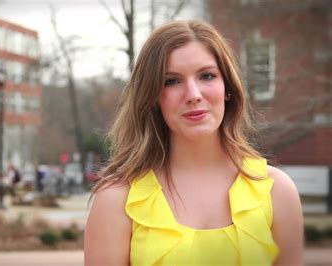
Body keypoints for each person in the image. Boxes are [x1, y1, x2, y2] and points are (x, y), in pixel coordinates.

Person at [84, 20, 303, 266]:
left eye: (206, 76)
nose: (193, 94)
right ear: (153, 96)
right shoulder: (116, 200)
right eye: (172, 81)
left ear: (227, 88)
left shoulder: (277, 192)